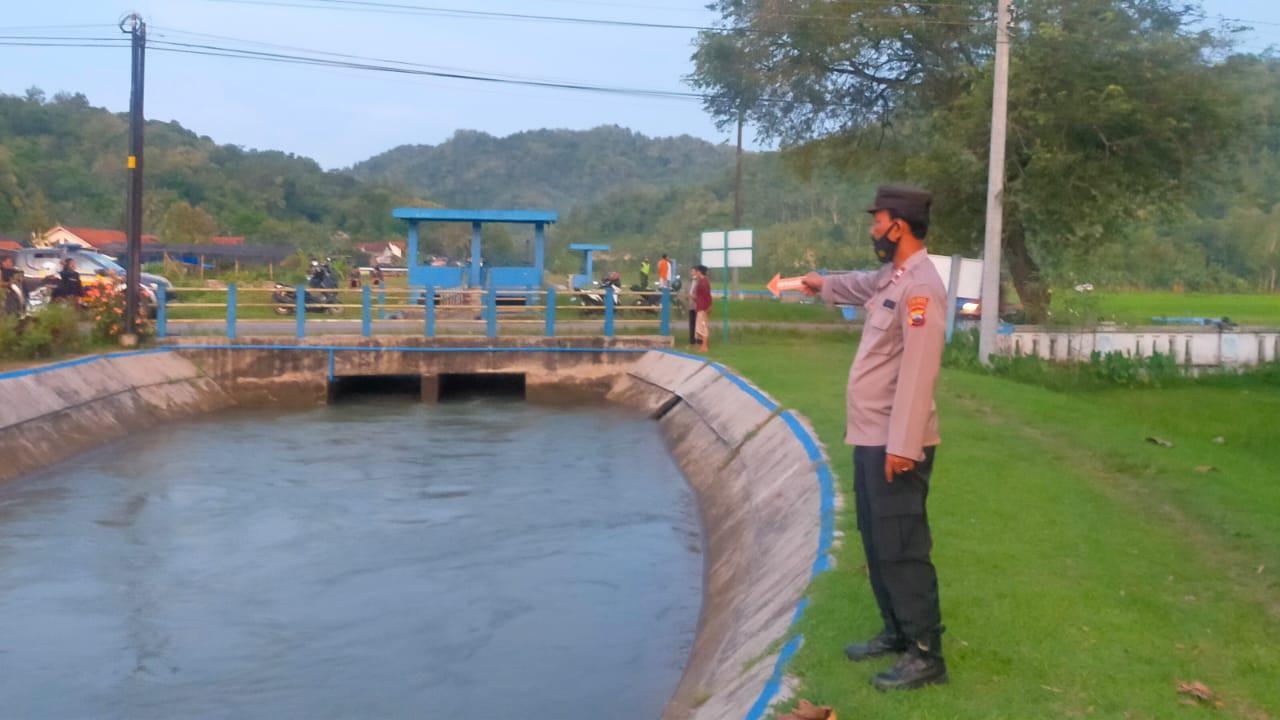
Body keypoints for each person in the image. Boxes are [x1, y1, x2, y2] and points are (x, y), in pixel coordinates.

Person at [800, 184, 949, 691]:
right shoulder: (894, 276)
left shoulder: (922, 287)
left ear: (898, 227)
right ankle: (896, 632)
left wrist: (903, 446)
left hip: (896, 442)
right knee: (878, 538)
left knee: (903, 546)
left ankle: (926, 655)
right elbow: (860, 284)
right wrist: (820, 283)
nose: (871, 229)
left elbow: (918, 371)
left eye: (876, 220)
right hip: (870, 436)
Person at [692, 264, 712, 352]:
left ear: (700, 272)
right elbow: (700, 296)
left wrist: (709, 306)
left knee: (703, 327)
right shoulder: (701, 281)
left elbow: (707, 296)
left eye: (697, 271)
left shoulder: (704, 282)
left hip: (703, 308)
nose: (696, 273)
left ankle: (704, 347)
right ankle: (703, 346)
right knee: (700, 327)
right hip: (700, 307)